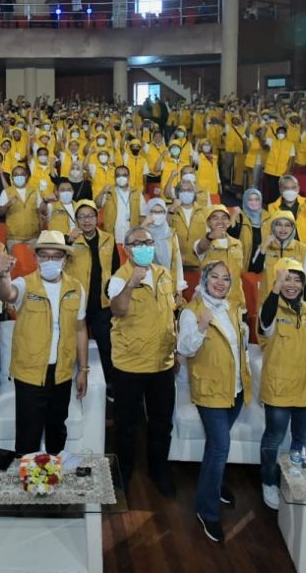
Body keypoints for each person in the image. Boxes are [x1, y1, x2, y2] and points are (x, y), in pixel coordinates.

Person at [0, 230, 89, 456]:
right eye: (44, 256)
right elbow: (7, 294)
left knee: (57, 432)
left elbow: (80, 329)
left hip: (62, 373)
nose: (49, 261)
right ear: (36, 258)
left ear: (65, 259)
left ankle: (54, 472)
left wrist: (84, 370)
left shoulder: (76, 288)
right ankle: (27, 475)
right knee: (28, 437)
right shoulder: (25, 284)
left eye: (56, 256)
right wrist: (1, 275)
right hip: (29, 373)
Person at [178, 260, 252, 542]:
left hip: (236, 389)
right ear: (205, 280)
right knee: (220, 446)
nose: (220, 282)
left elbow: (239, 347)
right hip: (211, 392)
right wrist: (201, 326)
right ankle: (206, 510)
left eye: (226, 278)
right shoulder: (192, 311)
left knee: (215, 446)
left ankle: (216, 485)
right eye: (215, 277)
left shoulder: (232, 306)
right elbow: (185, 348)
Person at [108, 226, 179, 496]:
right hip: (130, 365)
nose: (144, 247)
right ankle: (123, 472)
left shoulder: (164, 274)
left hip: (162, 364)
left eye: (148, 242)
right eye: (137, 243)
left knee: (161, 423)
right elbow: (118, 309)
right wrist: (131, 283)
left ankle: (158, 471)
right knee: (126, 424)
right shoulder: (118, 278)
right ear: (127, 249)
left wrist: (176, 350)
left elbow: (170, 314)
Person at [257, 258, 306, 510]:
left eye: (297, 280)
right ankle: (268, 481)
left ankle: (295, 481)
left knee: (303, 439)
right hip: (279, 389)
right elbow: (265, 323)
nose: (292, 284)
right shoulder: (270, 309)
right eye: (286, 279)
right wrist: (276, 287)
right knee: (273, 439)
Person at [66, 201, 121, 387]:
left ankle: (111, 387)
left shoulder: (109, 239)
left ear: (97, 218)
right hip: (76, 302)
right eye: (81, 217)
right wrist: (68, 241)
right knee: (73, 345)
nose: (86, 220)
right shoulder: (69, 241)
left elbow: (116, 270)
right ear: (76, 220)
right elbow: (58, 263)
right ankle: (73, 382)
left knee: (107, 346)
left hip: (102, 303)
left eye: (90, 216)